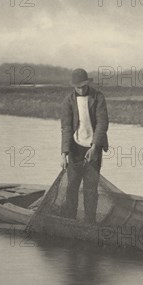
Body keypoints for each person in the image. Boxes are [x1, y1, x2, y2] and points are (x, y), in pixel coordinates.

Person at [60, 68, 109, 223]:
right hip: (75, 148)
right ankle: (69, 220)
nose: (80, 89)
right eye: (77, 86)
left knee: (91, 188)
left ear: (88, 83)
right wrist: (64, 153)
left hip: (94, 148)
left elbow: (102, 123)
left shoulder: (98, 97)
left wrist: (94, 147)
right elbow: (66, 127)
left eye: (83, 86)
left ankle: (90, 221)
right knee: (72, 186)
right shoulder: (68, 101)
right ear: (73, 86)